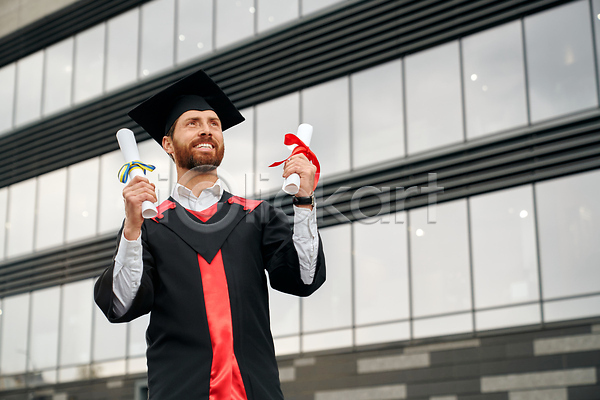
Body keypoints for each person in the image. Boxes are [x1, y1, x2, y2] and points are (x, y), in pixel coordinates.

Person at [94, 69, 326, 400]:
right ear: (168, 144)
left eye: (214, 123)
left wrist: (304, 202)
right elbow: (120, 305)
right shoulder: (149, 224)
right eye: (193, 122)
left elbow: (303, 279)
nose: (206, 128)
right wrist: (131, 228)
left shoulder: (256, 215)